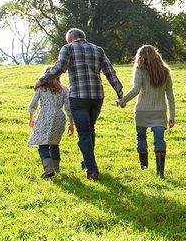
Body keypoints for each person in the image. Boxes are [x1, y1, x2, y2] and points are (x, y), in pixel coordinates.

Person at [35, 28, 123, 180]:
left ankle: (91, 170)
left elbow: (59, 68)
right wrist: (120, 93)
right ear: (83, 37)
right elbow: (110, 72)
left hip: (78, 97)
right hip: (97, 97)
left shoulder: (67, 48)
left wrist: (42, 80)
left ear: (70, 39)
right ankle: (87, 161)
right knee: (89, 130)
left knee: (84, 133)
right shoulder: (98, 49)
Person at [117, 45, 175, 178]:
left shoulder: (140, 70)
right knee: (159, 140)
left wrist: (122, 101)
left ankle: (144, 169)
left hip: (142, 111)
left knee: (141, 137)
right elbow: (170, 95)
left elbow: (136, 89)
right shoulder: (165, 71)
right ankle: (160, 172)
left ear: (141, 56)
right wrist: (172, 116)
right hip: (160, 112)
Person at [27, 66, 74, 179]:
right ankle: (56, 168)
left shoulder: (41, 89)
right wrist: (71, 124)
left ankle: (48, 168)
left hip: (44, 116)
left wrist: (31, 117)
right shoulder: (64, 90)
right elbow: (68, 108)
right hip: (59, 117)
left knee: (42, 143)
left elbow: (34, 104)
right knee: (54, 143)